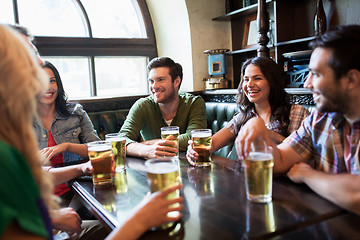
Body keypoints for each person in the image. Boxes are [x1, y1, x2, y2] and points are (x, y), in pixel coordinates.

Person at [0, 24, 183, 240]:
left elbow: (34, 179)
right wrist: (140, 219)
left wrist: (49, 217)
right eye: (28, 55)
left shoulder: (15, 132)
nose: (40, 62)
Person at [235, 25, 360, 215]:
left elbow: (356, 195)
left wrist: (307, 175)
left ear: (351, 79)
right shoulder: (319, 119)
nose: (307, 83)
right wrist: (256, 126)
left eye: (316, 74)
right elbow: (280, 162)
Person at [186, 57, 310, 165]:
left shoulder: (296, 112)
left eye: (257, 78)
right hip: (249, 180)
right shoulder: (244, 116)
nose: (249, 85)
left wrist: (267, 133)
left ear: (272, 82)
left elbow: (302, 152)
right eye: (246, 79)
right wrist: (194, 150)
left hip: (284, 184)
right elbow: (212, 144)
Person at [33, 61, 100, 201]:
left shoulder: (76, 112)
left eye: (52, 81)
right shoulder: (20, 121)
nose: (48, 87)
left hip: (76, 192)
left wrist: (66, 146)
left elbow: (98, 149)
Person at [120, 56, 207, 159]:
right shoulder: (142, 105)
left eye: (160, 80)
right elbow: (122, 140)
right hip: (151, 169)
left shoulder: (194, 103)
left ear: (176, 82)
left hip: (188, 167)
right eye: (151, 81)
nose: (154, 86)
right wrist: (145, 150)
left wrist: (150, 143)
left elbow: (194, 138)